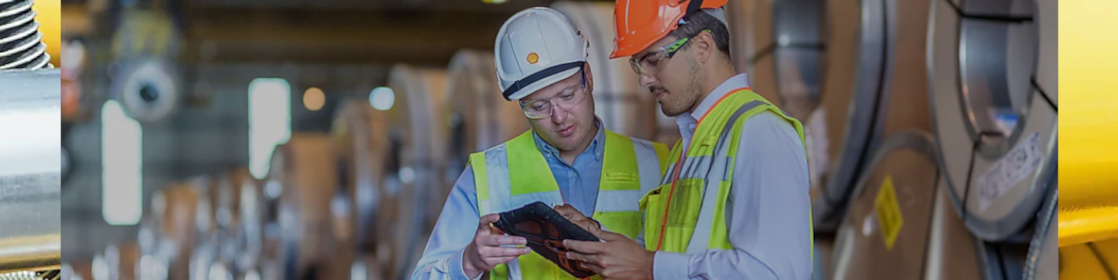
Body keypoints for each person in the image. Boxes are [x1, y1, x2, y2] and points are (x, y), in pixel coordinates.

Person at [559, 0, 813, 279]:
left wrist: (650, 266)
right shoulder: (688, 144)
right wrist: (599, 241)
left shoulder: (760, 132)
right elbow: (674, 251)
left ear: (703, 46)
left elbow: (774, 272)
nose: (644, 80)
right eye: (637, 64)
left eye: (653, 59)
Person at [411, 7, 670, 280]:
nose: (558, 117)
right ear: (520, 105)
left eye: (567, 95)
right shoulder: (488, 174)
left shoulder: (658, 162)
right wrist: (469, 262)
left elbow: (688, 264)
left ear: (589, 78)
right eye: (538, 106)